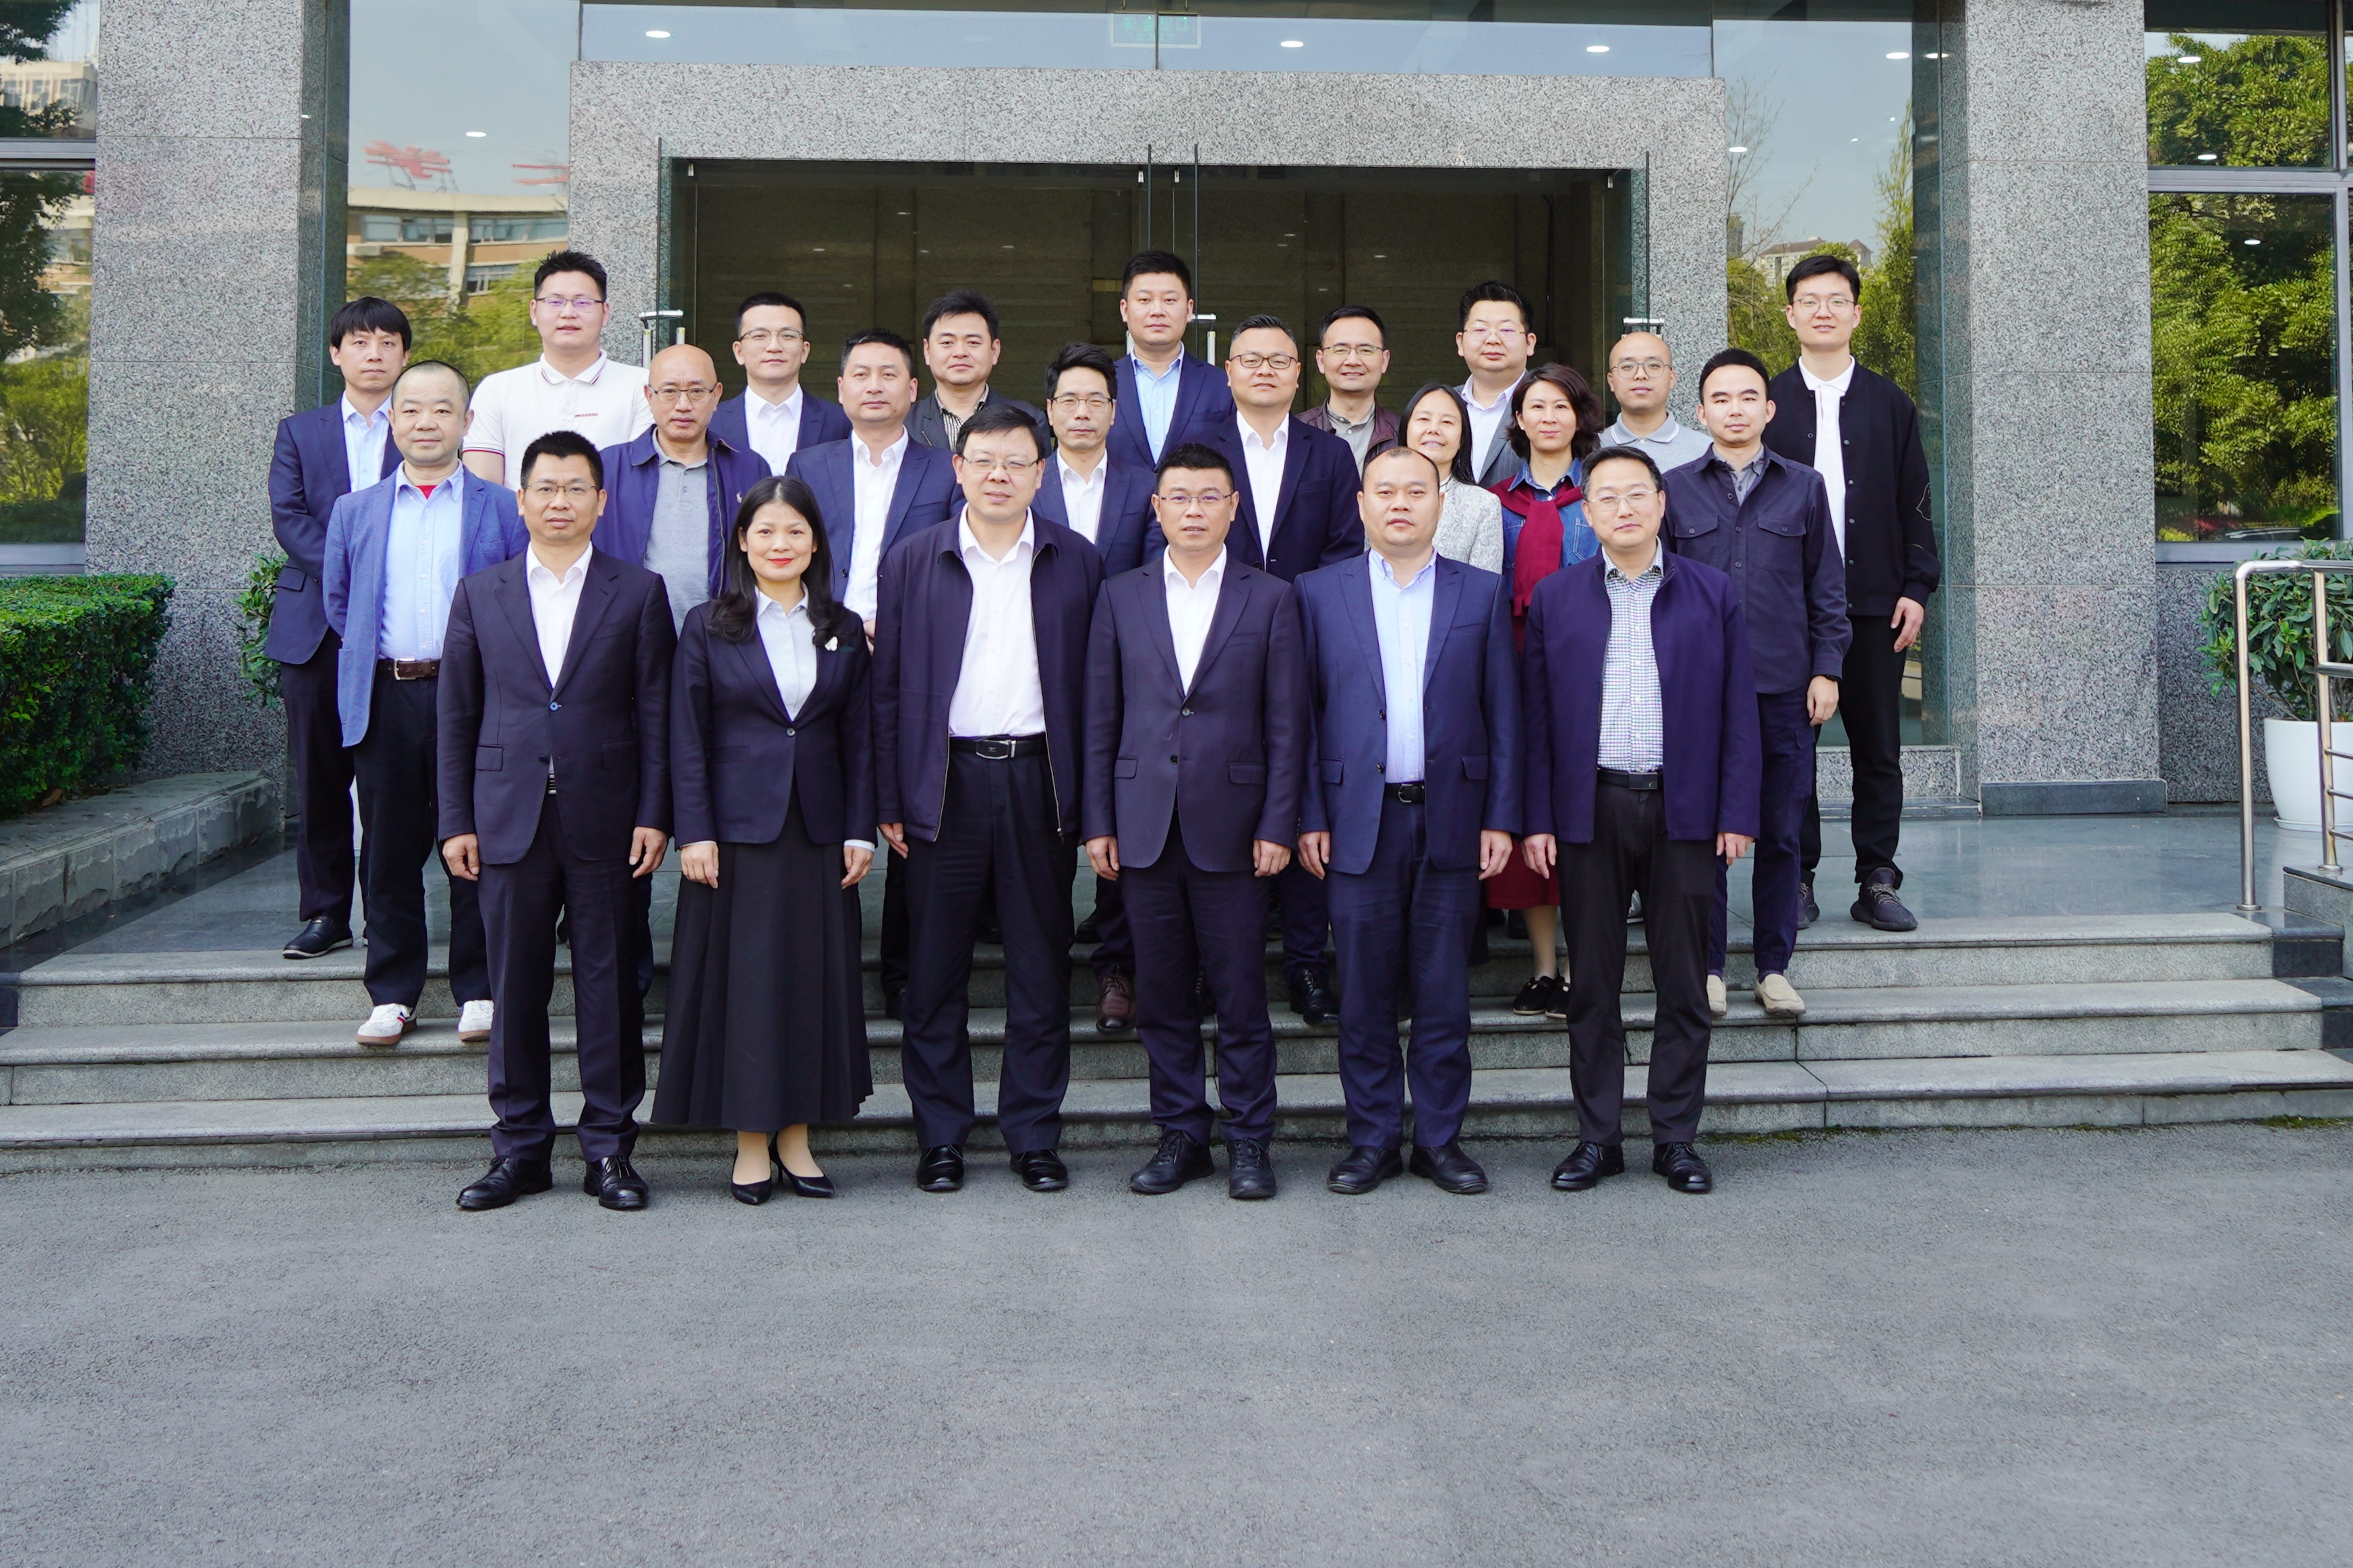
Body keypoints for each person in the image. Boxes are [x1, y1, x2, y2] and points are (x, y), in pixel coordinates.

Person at [438, 430, 675, 1213]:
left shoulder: (637, 592)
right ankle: (520, 1149)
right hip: (506, 819)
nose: (560, 502)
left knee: (610, 988)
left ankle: (609, 1148)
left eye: (576, 488)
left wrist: (655, 813)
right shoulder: (482, 592)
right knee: (515, 987)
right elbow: (456, 716)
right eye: (545, 487)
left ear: (601, 500)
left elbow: (656, 714)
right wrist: (455, 819)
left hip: (608, 819)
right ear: (522, 499)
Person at [874, 402, 1104, 1195]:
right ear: (958, 469)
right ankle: (941, 1135)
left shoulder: (1076, 560)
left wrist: (1090, 801)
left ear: (1041, 474)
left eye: (1016, 462)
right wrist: (890, 793)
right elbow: (887, 687)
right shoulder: (914, 558)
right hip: (945, 783)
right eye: (984, 460)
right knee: (933, 971)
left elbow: (1096, 692)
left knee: (1039, 967)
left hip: (1039, 780)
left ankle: (1032, 1134)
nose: (999, 475)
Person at [1520, 446, 1760, 1198]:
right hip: (1589, 810)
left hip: (1684, 810)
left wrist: (1735, 811)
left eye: (1636, 494)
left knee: (1683, 984)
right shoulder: (1557, 597)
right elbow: (1535, 719)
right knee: (1592, 984)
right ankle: (1597, 1139)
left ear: (1661, 504)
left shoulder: (1711, 592)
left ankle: (1675, 1139)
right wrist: (1537, 818)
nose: (1622, 508)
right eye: (1606, 497)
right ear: (1587, 513)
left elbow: (1739, 711)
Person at [1083, 442, 1309, 1201]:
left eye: (1209, 497)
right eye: (1178, 497)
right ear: (1156, 508)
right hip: (1143, 825)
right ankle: (1181, 1133)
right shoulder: (1120, 595)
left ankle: (1249, 1139)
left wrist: (1278, 823)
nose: (1193, 510)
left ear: (1233, 507)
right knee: (1163, 993)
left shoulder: (1271, 597)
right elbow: (1101, 718)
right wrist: (1099, 820)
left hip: (1237, 829)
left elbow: (1289, 726)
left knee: (1241, 994)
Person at [1296, 446, 1519, 1198]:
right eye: (1385, 491)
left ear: (1440, 504)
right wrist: (1308, 813)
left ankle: (1439, 1141)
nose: (1400, 504)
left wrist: (1501, 817)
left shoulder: (1480, 591)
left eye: (1416, 492)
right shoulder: (1318, 593)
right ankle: (1370, 1142)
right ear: (1361, 504)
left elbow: (1504, 713)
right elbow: (1300, 717)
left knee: (1443, 994)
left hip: (1452, 817)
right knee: (1361, 994)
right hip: (1356, 821)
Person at [654, 475, 874, 1204]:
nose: (781, 545)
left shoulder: (843, 627)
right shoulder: (707, 625)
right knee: (746, 989)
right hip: (735, 837)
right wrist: (695, 832)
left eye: (795, 532)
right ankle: (751, 1141)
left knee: (810, 984)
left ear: (815, 544)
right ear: (743, 543)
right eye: (766, 532)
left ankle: (797, 1138)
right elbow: (686, 738)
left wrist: (860, 829)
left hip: (817, 832)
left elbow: (860, 737)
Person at [321, 361, 525, 1049]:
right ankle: (392, 993)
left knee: (478, 845)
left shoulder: (503, 507)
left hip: (478, 698)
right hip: (386, 697)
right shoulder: (355, 511)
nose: (426, 422)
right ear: (392, 421)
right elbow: (342, 605)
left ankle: (480, 988)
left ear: (467, 421)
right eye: (411, 410)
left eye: (442, 409)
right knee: (387, 850)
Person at [1665, 349, 1848, 1023]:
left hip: (1782, 690)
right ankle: (1709, 969)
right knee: (1700, 835)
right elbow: (1660, 592)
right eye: (1721, 398)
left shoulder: (1804, 487)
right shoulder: (1674, 489)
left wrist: (1826, 669)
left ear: (1769, 410)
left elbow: (1826, 588)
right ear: (1701, 411)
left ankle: (1773, 968)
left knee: (1780, 834)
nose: (1735, 409)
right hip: (1699, 694)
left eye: (1748, 397)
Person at [1764, 253, 1940, 934]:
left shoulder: (1890, 403)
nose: (1823, 311)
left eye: (1836, 300)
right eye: (1809, 300)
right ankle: (1796, 877)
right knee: (1793, 750)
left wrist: (1917, 586)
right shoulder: (1769, 401)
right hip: (1789, 606)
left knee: (1878, 748)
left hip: (1874, 600)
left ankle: (1878, 878)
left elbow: (1915, 501)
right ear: (1790, 314)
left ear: (1856, 313)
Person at [787, 327, 959, 1020]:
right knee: (829, 798)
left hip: (908, 653)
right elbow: (792, 551)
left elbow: (954, 560)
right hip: (823, 649)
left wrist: (900, 621)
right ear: (840, 389)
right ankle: (823, 964)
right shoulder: (810, 462)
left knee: (908, 806)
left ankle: (903, 972)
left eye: (890, 375)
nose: (875, 386)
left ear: (913, 390)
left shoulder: (944, 469)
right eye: (861, 374)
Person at [1199, 313, 1362, 1028]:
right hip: (1216, 645)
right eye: (1250, 359)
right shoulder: (1197, 447)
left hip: (1307, 640)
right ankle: (1216, 966)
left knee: (1302, 800)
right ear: (1228, 371)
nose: (1264, 370)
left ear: (1300, 373)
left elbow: (1345, 548)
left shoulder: (1330, 455)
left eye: (1278, 360)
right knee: (1220, 801)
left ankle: (1305, 962)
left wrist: (1289, 613)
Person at [268, 296, 409, 961]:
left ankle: (387, 915)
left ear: (404, 356)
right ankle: (327, 913)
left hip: (394, 627)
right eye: (359, 342)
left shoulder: (421, 427)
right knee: (319, 778)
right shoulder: (300, 431)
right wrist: (353, 572)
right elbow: (290, 518)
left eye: (387, 343)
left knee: (388, 781)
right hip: (314, 631)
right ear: (335, 354)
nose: (373, 354)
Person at [1033, 340, 1156, 1033]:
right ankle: (1042, 967)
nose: (1082, 412)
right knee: (1044, 827)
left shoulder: (1145, 486)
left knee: (1122, 825)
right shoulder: (1025, 479)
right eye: (1069, 400)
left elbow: (1151, 582)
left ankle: (1117, 967)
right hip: (1033, 680)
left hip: (1125, 679)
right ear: (1049, 410)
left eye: (1096, 401)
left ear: (1114, 411)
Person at [1485, 361, 1605, 1017]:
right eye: (1537, 406)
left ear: (1579, 416)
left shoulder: (1602, 493)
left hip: (1592, 674)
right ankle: (1543, 968)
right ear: (1520, 419)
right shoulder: (1495, 501)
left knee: (1584, 822)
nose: (1550, 417)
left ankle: (1586, 967)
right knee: (1529, 811)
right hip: (1514, 675)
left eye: (1562, 405)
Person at [593, 342, 771, 632]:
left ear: (716, 396)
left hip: (724, 636)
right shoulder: (608, 468)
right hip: (627, 635)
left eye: (697, 391)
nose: (683, 405)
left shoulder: (750, 468)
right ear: (649, 396)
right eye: (670, 391)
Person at [462, 251, 651, 487]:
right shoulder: (497, 390)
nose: (568, 313)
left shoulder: (642, 387)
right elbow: (482, 489)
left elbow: (640, 486)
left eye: (583, 302)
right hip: (517, 513)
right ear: (534, 311)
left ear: (605, 313)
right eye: (555, 302)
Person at [1109, 250, 1234, 472]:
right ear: (1125, 310)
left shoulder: (1223, 385)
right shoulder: (1102, 384)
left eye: (1169, 300)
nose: (1157, 311)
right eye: (1145, 300)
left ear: (1189, 309)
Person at [710, 291, 852, 475]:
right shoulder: (711, 422)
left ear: (804, 351)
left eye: (788, 336)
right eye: (760, 336)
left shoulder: (840, 423)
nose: (774, 347)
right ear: (739, 352)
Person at [905, 289, 1045, 451]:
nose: (960, 352)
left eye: (973, 343)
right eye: (947, 343)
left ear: (994, 351)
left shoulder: (1028, 420)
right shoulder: (903, 423)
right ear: (927, 351)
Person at [1398, 381, 1502, 573]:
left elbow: (1485, 585)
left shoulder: (1483, 505)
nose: (1434, 429)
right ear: (1406, 429)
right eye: (1424, 419)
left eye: (1447, 422)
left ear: (1462, 438)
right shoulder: (1381, 494)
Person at [1456, 280, 1539, 487]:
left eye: (1507, 330)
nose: (1493, 340)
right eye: (1480, 330)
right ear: (1460, 342)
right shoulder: (1441, 405)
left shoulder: (1553, 405)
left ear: (1529, 343)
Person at [1297, 304, 1398, 471]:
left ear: (1384, 360)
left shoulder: (1405, 435)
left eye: (1366, 350)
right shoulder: (1293, 433)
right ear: (1321, 361)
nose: (1352, 361)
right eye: (1340, 350)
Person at [1597, 331, 1711, 472]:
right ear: (1611, 381)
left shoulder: (1706, 452)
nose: (1640, 375)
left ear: (1671, 379)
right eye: (1627, 366)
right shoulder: (1591, 449)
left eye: (1653, 366)